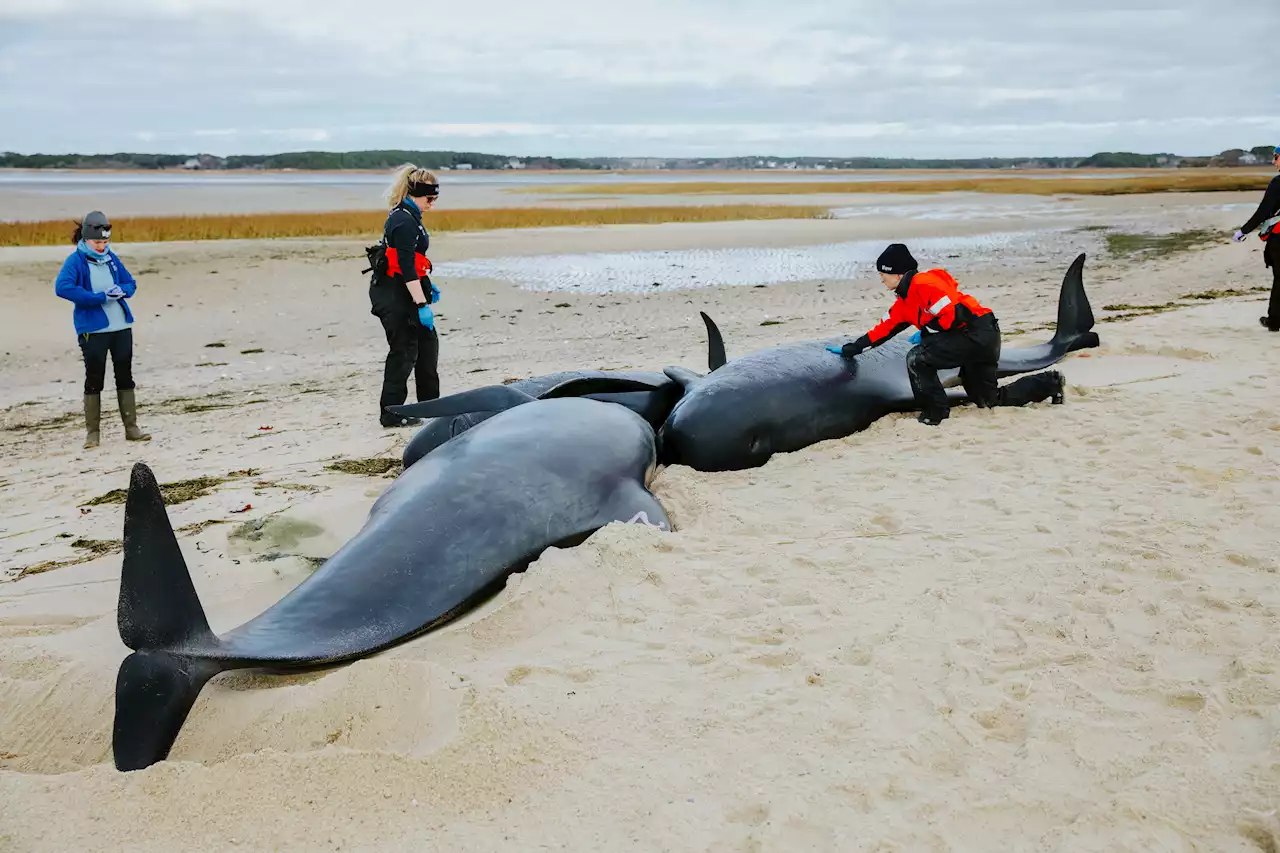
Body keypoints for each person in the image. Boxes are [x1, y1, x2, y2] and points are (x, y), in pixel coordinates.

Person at [827, 243, 1065, 426]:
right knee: (988, 400)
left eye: (883, 273)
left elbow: (954, 315)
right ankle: (1050, 383)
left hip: (978, 334)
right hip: (972, 338)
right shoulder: (904, 302)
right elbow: (883, 330)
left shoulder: (925, 284)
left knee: (917, 358)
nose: (880, 278)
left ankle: (935, 412)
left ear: (898, 274)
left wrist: (927, 332)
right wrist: (853, 348)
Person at [54, 211, 152, 448]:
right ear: (86, 238)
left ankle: (132, 429)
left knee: (125, 375)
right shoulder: (75, 261)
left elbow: (130, 283)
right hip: (93, 330)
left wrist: (122, 290)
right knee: (94, 378)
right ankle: (93, 434)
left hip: (121, 325)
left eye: (105, 242)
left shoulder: (111, 258)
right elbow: (63, 288)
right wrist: (97, 297)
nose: (101, 246)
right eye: (97, 242)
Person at [369, 164, 442, 427]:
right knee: (404, 351)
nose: (431, 205)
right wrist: (421, 303)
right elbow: (406, 266)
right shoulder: (402, 220)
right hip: (393, 294)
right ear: (415, 193)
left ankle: (432, 407)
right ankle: (391, 413)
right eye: (428, 200)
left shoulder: (411, 215)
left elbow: (415, 263)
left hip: (409, 289)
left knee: (428, 347)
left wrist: (427, 286)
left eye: (434, 200)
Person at [1231, 145, 1280, 332]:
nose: (1274, 161)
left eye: (1276, 157)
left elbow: (1263, 211)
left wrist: (1243, 231)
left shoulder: (1278, 183)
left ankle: (1275, 321)